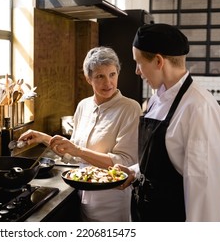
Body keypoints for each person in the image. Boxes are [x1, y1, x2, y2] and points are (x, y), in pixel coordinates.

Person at [116, 23, 220, 222]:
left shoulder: (198, 109)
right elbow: (168, 162)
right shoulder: (156, 99)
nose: (137, 71)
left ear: (159, 61)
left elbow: (205, 191)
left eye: (139, 63)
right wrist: (136, 171)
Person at [18, 46, 142, 221]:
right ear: (88, 78)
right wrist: (43, 138)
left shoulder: (130, 108)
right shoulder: (83, 106)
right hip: (82, 195)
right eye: (100, 76)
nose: (108, 83)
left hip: (111, 201)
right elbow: (73, 155)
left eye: (112, 74)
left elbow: (126, 162)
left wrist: (78, 151)